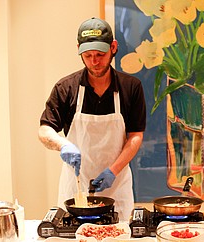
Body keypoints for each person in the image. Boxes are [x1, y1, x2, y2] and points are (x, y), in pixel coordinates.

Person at [38, 17, 146, 221]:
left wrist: (112, 171)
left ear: (113, 47)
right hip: (75, 189)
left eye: (100, 54)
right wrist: (62, 145)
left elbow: (135, 136)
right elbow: (44, 130)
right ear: (78, 49)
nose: (95, 62)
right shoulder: (66, 88)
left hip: (117, 185)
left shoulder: (131, 87)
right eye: (88, 55)